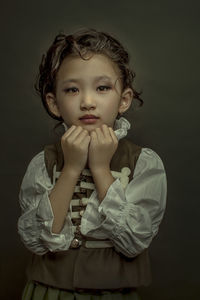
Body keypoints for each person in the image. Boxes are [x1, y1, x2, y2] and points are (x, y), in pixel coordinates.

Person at [17, 28, 167, 300]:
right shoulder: (43, 163)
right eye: (72, 89)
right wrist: (71, 169)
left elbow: (134, 242)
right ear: (54, 103)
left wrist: (99, 168)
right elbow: (38, 240)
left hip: (113, 294)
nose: (87, 102)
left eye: (102, 88)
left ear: (124, 99)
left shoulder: (144, 163)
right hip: (48, 293)